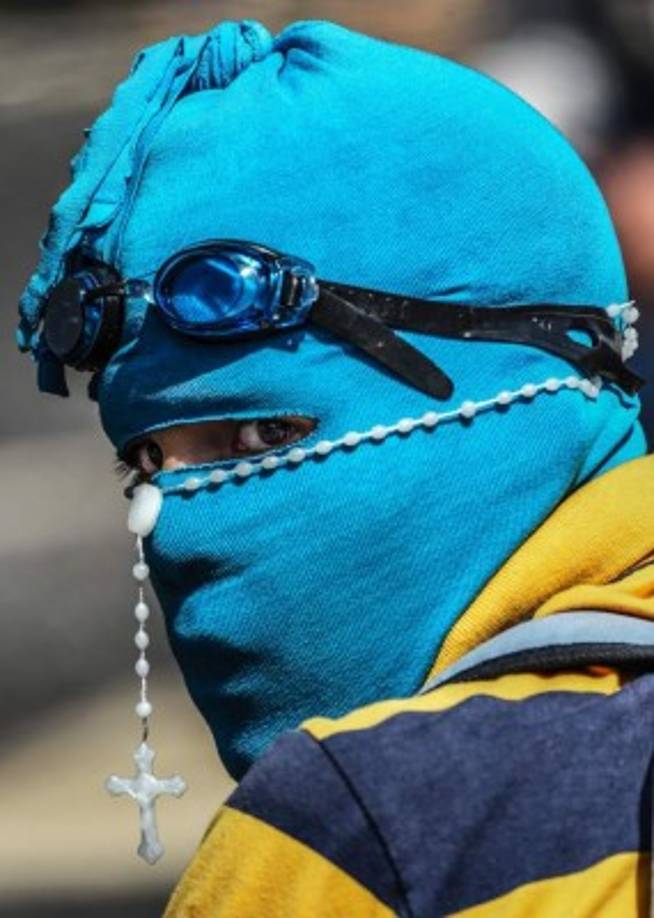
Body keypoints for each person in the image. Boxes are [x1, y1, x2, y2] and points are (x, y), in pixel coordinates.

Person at [18, 18, 654, 917]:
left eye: (258, 438)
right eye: (146, 462)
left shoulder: (354, 834)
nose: (168, 517)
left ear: (523, 375)